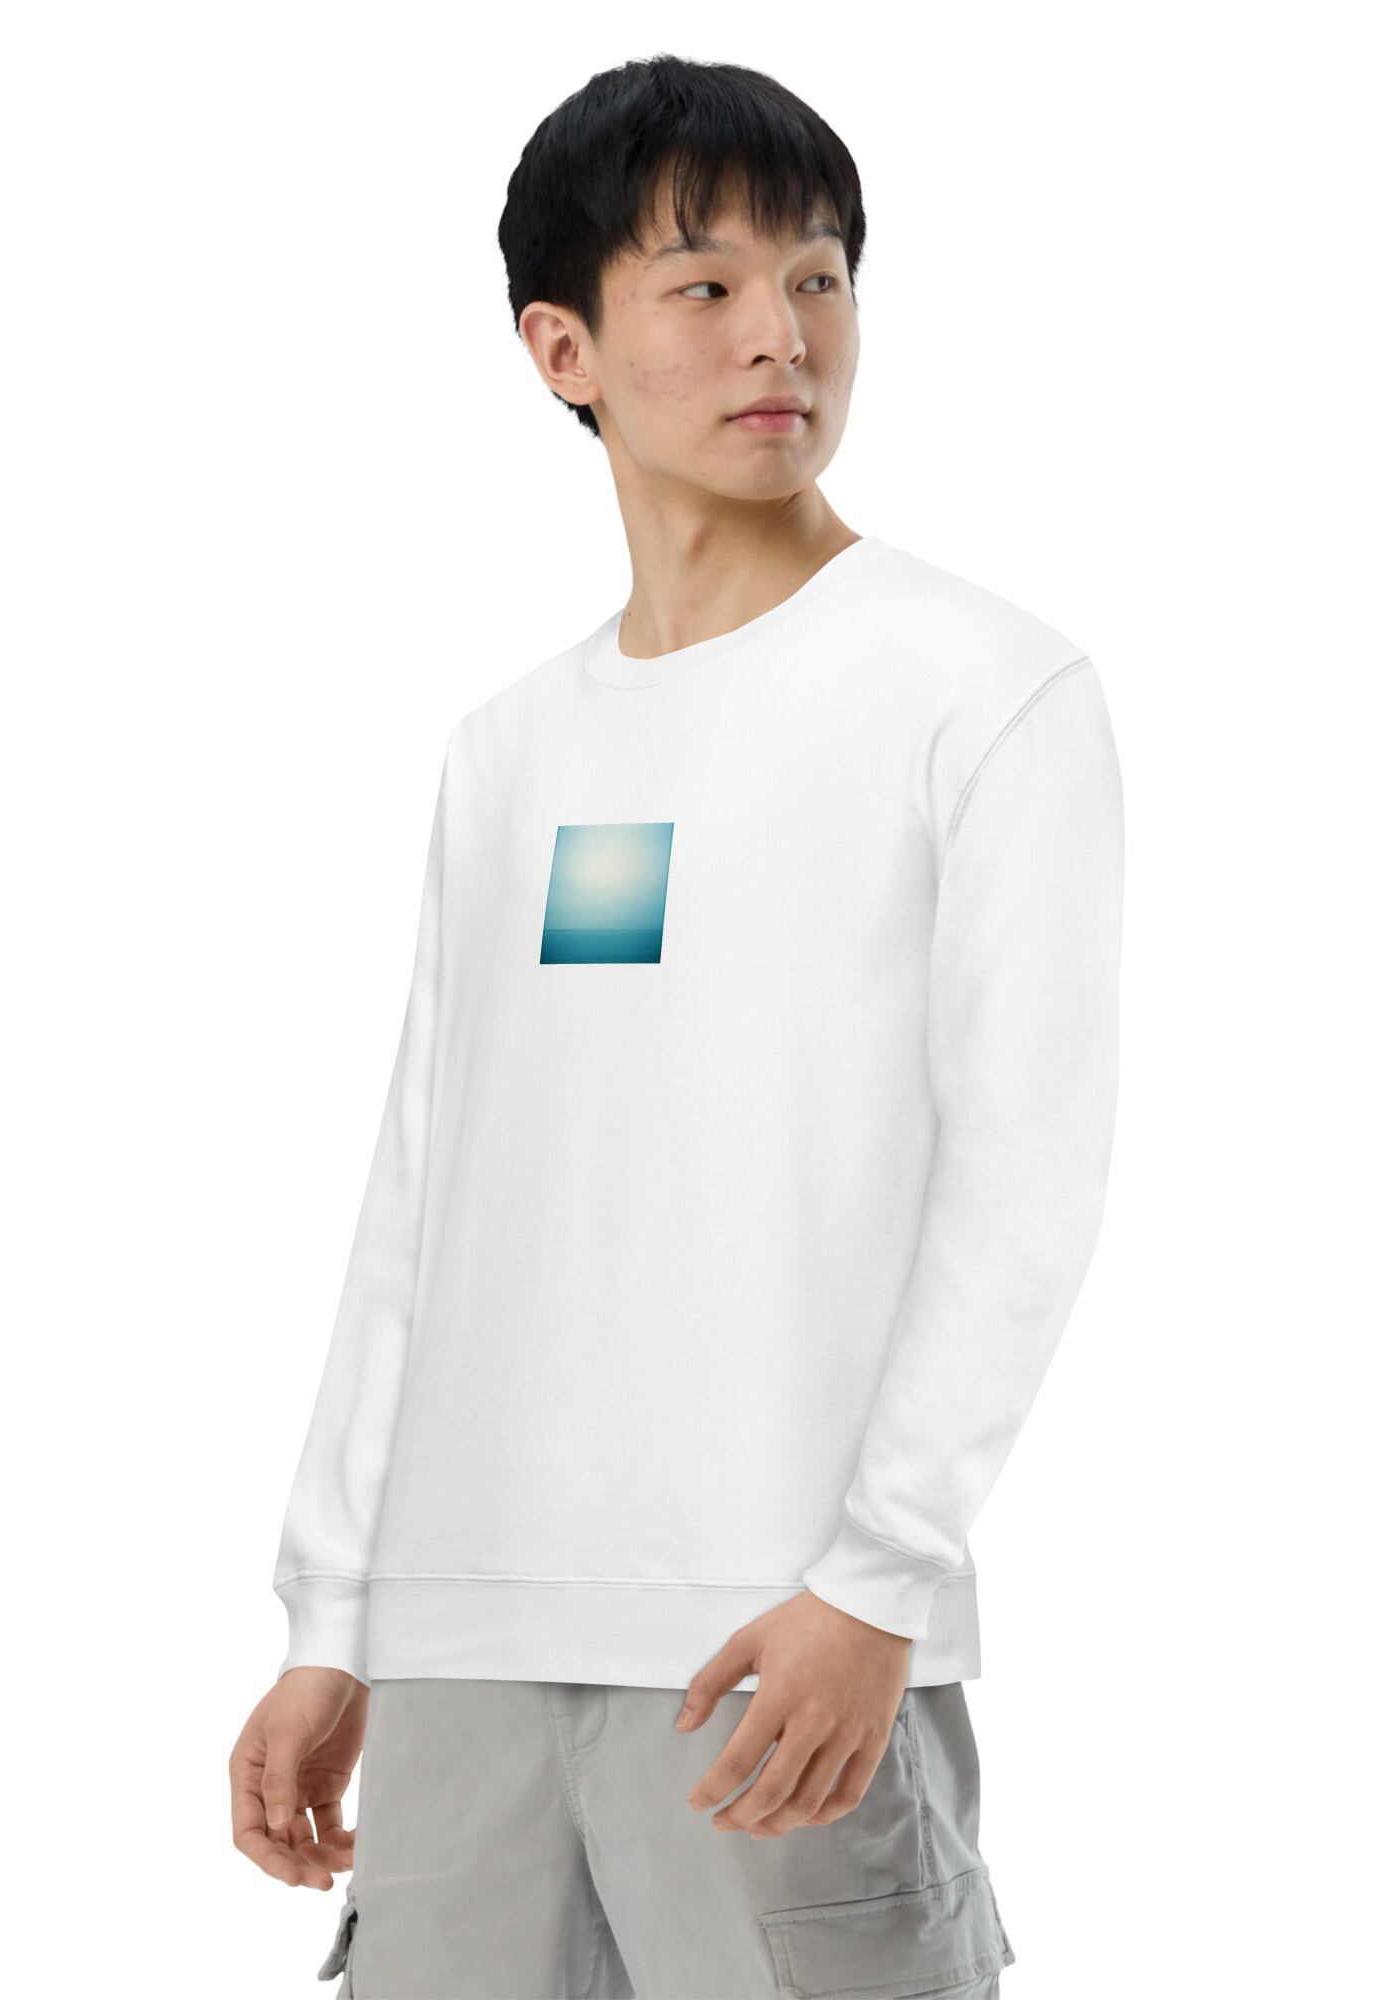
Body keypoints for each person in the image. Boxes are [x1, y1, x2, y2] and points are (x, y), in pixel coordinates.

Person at [229, 53, 1124, 1999]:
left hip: (772, 1640)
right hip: (465, 1652)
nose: (779, 335)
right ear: (562, 347)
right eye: (704, 285)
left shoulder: (977, 689)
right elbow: (423, 1193)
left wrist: (878, 1579)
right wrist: (337, 1615)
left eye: (818, 278)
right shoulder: (507, 746)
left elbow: (1026, 1170)